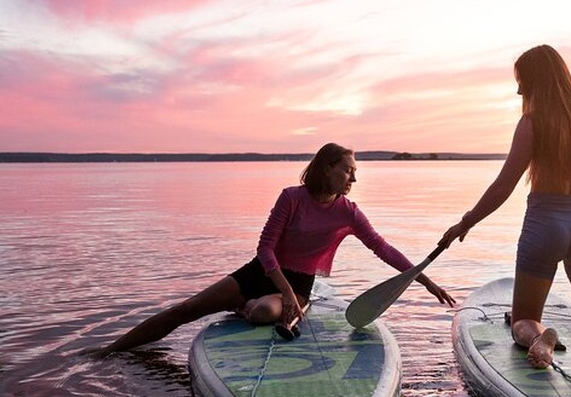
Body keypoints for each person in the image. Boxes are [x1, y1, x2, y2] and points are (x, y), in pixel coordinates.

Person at [93, 143, 455, 356]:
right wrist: (281, 288)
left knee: (264, 313)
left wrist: (425, 281)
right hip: (263, 272)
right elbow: (265, 249)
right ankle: (111, 350)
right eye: (348, 170)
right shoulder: (291, 198)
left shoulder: (349, 212)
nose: (353, 179)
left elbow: (382, 247)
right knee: (186, 309)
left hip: (299, 283)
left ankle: (248, 306)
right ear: (327, 168)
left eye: (354, 172)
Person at [439, 45, 571, 369]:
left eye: (521, 82)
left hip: (545, 223)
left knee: (524, 318)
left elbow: (505, 183)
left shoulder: (532, 121)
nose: (518, 89)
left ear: (535, 81)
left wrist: (466, 222)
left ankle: (538, 338)